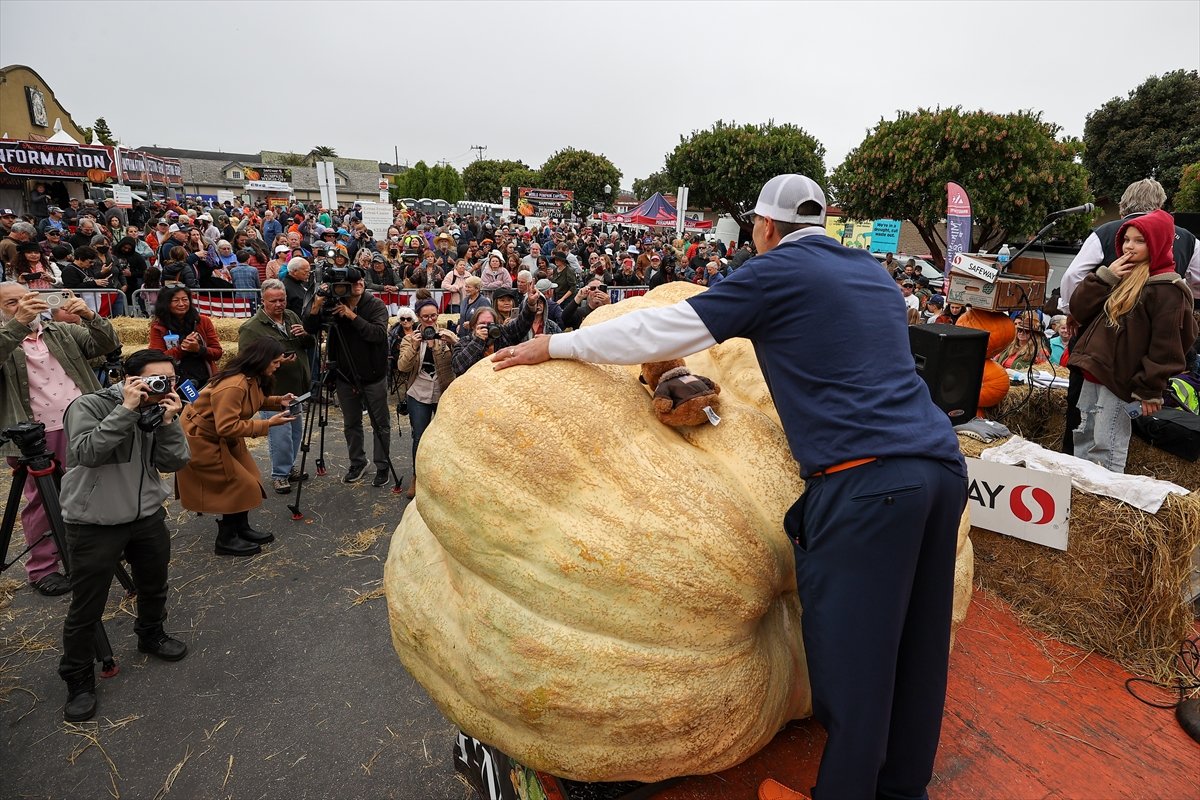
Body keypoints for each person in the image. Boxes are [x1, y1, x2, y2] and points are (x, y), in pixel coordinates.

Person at [493, 174, 968, 800]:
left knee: (856, 676)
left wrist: (556, 343)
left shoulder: (778, 272)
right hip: (940, 470)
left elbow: (662, 332)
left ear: (765, 227)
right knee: (919, 652)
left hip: (867, 484)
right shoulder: (874, 276)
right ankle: (905, 791)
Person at [56, 348, 191, 722]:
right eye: (154, 379)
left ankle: (151, 634)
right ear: (129, 379)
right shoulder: (90, 405)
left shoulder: (159, 407)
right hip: (94, 521)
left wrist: (169, 421)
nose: (162, 386)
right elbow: (88, 453)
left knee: (154, 583)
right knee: (87, 604)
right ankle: (78, 678)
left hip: (144, 514)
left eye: (169, 379)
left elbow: (175, 461)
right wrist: (126, 410)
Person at [1058, 178, 1200, 455]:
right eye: (1126, 239)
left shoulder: (1166, 288)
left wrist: (1070, 313)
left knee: (1106, 435)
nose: (1128, 246)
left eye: (1139, 240)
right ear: (1161, 205)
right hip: (1101, 361)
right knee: (1086, 426)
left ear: (1123, 207)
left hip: (1124, 367)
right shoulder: (1189, 241)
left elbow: (1073, 276)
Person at [0, 284, 121, 595]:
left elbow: (107, 343)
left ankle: (99, 551)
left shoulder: (59, 330)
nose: (21, 306)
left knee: (94, 486)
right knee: (42, 500)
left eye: (25, 300)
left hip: (82, 422)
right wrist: (17, 324)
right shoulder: (7, 338)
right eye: (12, 303)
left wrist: (90, 316)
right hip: (33, 434)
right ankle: (43, 568)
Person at [177, 338, 298, 556]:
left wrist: (279, 401)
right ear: (262, 359)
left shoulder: (252, 378)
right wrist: (267, 424)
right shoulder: (234, 384)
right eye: (276, 362)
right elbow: (227, 426)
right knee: (237, 484)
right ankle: (226, 539)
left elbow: (252, 401)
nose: (278, 366)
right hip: (204, 437)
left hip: (221, 435)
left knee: (249, 479)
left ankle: (241, 529)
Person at [305, 267, 393, 486]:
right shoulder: (333, 303)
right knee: (351, 423)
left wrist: (351, 315)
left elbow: (378, 334)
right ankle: (357, 462)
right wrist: (317, 303)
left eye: (361, 280)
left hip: (373, 374)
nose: (359, 284)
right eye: (352, 283)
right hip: (344, 374)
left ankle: (382, 465)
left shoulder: (375, 305)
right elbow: (310, 327)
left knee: (380, 423)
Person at [238, 280, 315, 494]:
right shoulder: (251, 328)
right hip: (274, 390)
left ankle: (289, 467)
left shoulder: (292, 316)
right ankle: (279, 474)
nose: (279, 304)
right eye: (274, 301)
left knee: (295, 433)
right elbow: (246, 363)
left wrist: (306, 336)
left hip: (298, 387)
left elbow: (310, 345)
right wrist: (278, 360)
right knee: (280, 434)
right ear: (263, 301)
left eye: (282, 300)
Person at [395, 298, 457, 499]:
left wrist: (453, 343)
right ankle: (417, 477)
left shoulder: (446, 335)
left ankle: (442, 478)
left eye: (433, 316)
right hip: (418, 393)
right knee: (419, 437)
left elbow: (462, 360)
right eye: (425, 317)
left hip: (443, 392)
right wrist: (414, 346)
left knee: (445, 438)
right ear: (418, 318)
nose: (430, 320)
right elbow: (402, 367)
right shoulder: (409, 338)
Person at [148, 287, 223, 389]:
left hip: (204, 378)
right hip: (176, 381)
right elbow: (157, 358)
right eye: (175, 300)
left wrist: (199, 349)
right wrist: (182, 348)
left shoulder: (203, 321)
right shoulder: (158, 326)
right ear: (165, 303)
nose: (181, 304)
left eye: (185, 299)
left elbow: (217, 352)